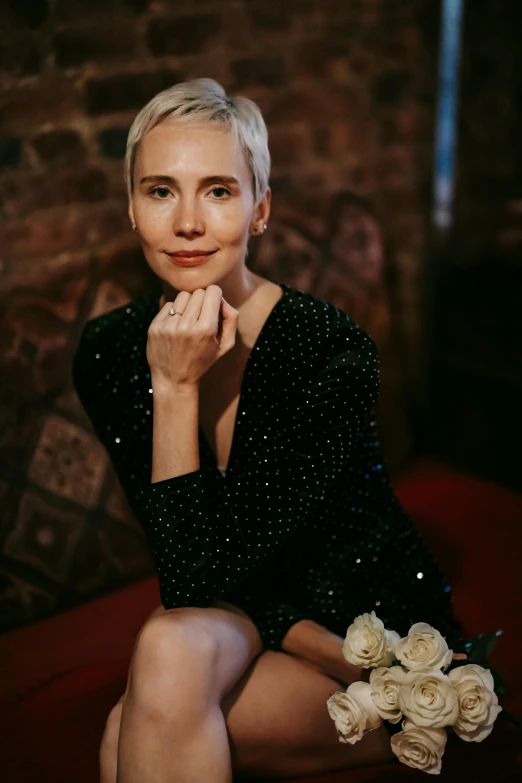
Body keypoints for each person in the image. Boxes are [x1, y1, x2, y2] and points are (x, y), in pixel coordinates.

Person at [72, 78, 465, 783]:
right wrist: (174, 385)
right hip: (245, 611)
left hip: (359, 635)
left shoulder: (328, 353)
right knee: (166, 652)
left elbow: (208, 579)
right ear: (131, 210)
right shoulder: (108, 353)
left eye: (218, 190)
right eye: (161, 190)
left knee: (127, 721)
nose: (187, 220)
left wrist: (342, 653)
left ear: (260, 210)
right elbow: (194, 576)